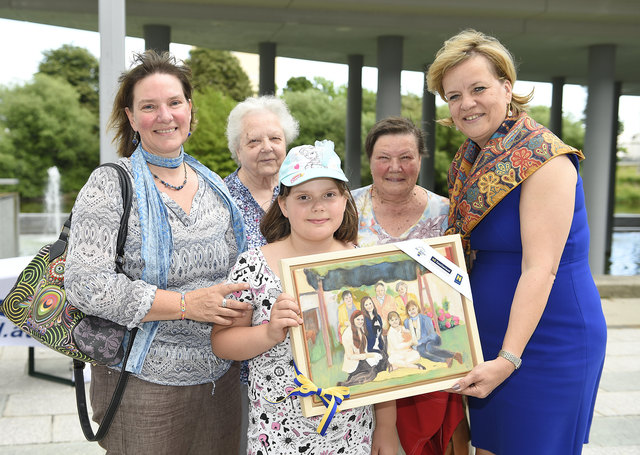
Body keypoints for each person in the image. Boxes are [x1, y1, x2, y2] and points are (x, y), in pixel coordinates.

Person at [426, 29, 607, 455]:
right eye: (453, 96)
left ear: (507, 88)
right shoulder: (469, 160)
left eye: (478, 88)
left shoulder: (544, 159)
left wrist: (508, 359)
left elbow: (540, 268)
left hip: (544, 341)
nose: (466, 103)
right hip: (490, 340)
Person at [65, 50, 251, 454]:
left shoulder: (214, 186)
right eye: (149, 106)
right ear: (132, 118)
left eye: (174, 103)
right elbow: (86, 285)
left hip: (221, 378)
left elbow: (243, 267)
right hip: (142, 383)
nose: (165, 116)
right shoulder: (110, 184)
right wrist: (186, 304)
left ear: (190, 110)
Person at [211, 140, 399, 454]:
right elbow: (222, 342)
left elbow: (384, 354)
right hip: (278, 432)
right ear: (283, 205)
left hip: (352, 433)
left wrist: (387, 427)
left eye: (329, 194)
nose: (318, 206)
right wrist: (269, 332)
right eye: (303, 197)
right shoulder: (253, 266)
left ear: (344, 200)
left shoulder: (365, 266)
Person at [353, 116, 469, 455]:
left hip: (432, 377)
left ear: (421, 159)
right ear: (369, 160)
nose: (395, 167)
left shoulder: (447, 212)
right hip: (371, 378)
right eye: (383, 158)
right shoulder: (344, 207)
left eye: (406, 157)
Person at [224, 95, 299, 249]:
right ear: (238, 150)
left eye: (275, 138)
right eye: (254, 141)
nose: (267, 147)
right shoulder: (221, 198)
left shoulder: (300, 189)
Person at [404, 301, 463, 368]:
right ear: (407, 312)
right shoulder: (406, 322)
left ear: (417, 308)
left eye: (413, 308)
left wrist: (420, 341)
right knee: (421, 352)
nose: (412, 311)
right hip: (420, 344)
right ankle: (446, 360)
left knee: (429, 347)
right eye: (409, 310)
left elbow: (431, 334)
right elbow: (408, 336)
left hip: (433, 339)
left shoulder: (425, 319)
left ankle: (454, 355)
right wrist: (412, 344)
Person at [339, 310, 384, 387]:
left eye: (362, 319)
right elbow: (350, 356)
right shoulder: (347, 333)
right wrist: (368, 356)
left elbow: (365, 350)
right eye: (358, 319)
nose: (360, 321)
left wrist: (372, 355)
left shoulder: (361, 330)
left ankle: (354, 379)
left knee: (381, 361)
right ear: (353, 320)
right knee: (372, 372)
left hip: (362, 360)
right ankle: (350, 381)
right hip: (354, 363)